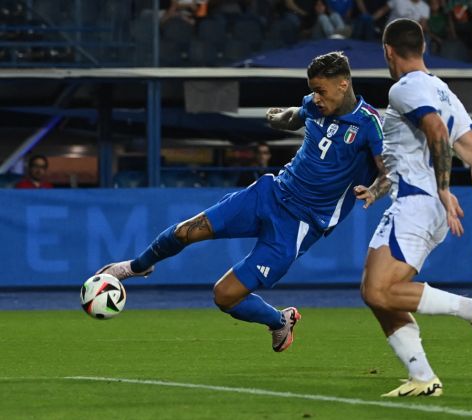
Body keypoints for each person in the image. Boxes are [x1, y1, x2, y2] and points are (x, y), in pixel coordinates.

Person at [96, 51, 386, 353]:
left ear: (343, 84)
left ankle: (278, 321)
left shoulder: (368, 125)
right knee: (186, 230)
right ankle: (135, 267)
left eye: (321, 91)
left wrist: (376, 191)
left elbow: (387, 170)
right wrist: (277, 119)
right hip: (269, 194)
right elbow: (293, 117)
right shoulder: (314, 105)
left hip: (299, 223)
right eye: (313, 90)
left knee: (224, 295)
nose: (316, 98)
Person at [353, 18, 472, 397]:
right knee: (375, 291)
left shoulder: (404, 88)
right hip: (416, 201)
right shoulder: (445, 93)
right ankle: (422, 376)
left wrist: (443, 189)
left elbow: (436, 134)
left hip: (417, 203)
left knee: (379, 291)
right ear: (423, 48)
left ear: (388, 52)